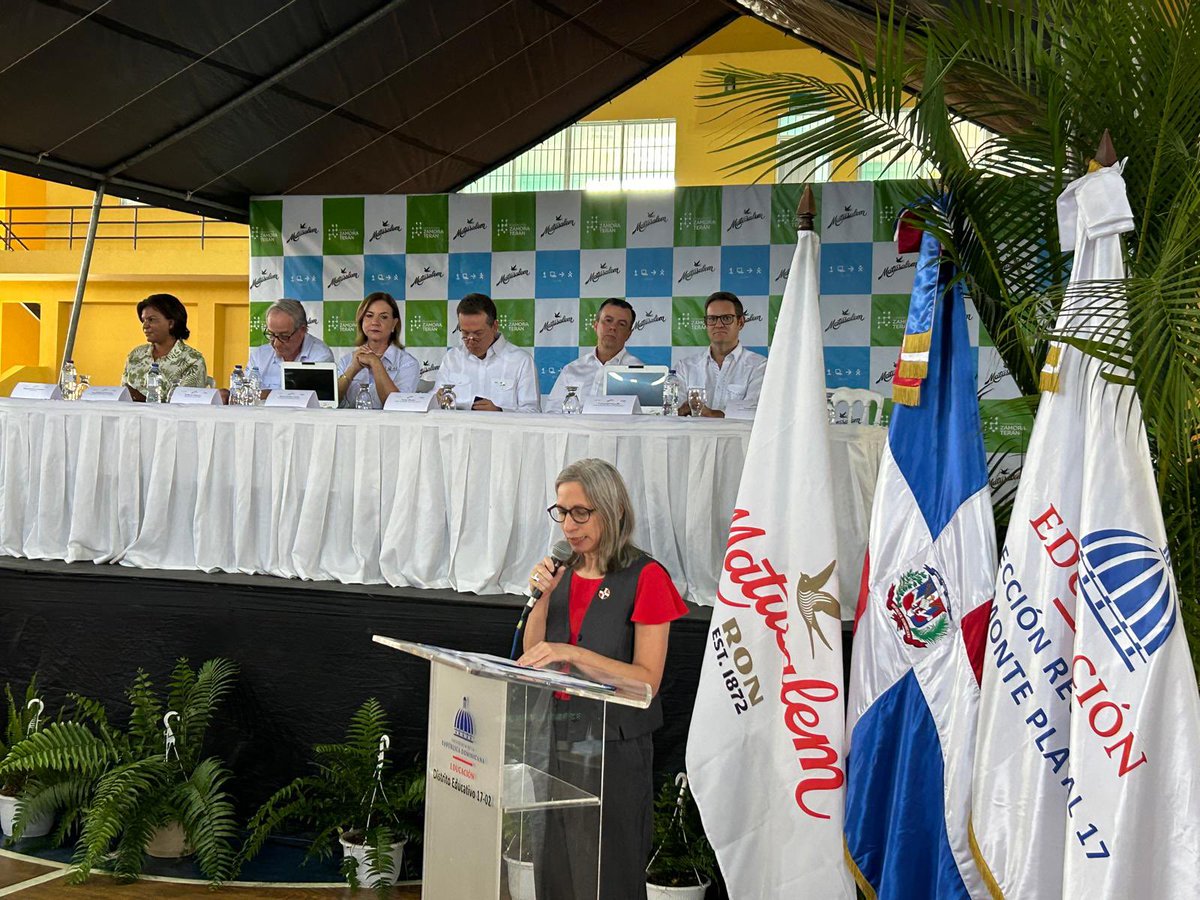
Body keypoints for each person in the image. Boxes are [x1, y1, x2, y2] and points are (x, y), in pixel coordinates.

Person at [520, 458, 688, 900]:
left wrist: (573, 653)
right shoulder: (560, 572)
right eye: (561, 511)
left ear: (612, 510)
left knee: (608, 873)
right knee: (554, 868)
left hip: (614, 748)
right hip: (554, 738)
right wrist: (542, 598)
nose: (568, 525)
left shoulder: (646, 577)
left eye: (581, 512)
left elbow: (646, 682)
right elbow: (533, 656)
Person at [434, 293, 540, 412]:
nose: (471, 340)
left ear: (494, 326)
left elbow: (533, 411)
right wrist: (436, 399)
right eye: (465, 333)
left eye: (478, 333)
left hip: (501, 424)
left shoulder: (521, 361)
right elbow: (433, 404)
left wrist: (500, 412)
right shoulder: (452, 358)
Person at [674, 290, 767, 416]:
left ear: (740, 322)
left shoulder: (759, 366)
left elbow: (753, 415)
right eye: (712, 319)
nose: (718, 324)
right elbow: (674, 414)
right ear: (706, 324)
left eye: (726, 318)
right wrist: (682, 410)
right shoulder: (685, 367)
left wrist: (708, 413)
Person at [548, 298, 643, 401]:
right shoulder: (571, 370)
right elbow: (553, 409)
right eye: (608, 320)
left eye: (621, 324)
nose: (613, 327)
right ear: (596, 325)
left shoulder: (640, 373)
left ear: (629, 334)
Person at [336, 292, 419, 408]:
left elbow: (397, 406)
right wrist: (352, 369)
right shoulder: (346, 360)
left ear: (394, 324)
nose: (375, 322)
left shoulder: (408, 363)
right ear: (361, 320)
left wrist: (375, 363)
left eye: (383, 317)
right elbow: (330, 403)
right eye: (369, 316)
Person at [122, 293, 208, 400]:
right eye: (143, 321)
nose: (145, 326)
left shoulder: (193, 361)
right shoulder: (135, 355)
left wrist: (143, 400)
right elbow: (123, 397)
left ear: (171, 323)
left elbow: (187, 404)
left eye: (151, 320)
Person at [247, 298, 333, 391]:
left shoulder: (321, 357)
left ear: (302, 330)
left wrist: (267, 394)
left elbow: (314, 398)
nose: (276, 344)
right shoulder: (259, 356)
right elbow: (245, 393)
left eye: (284, 336)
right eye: (271, 335)